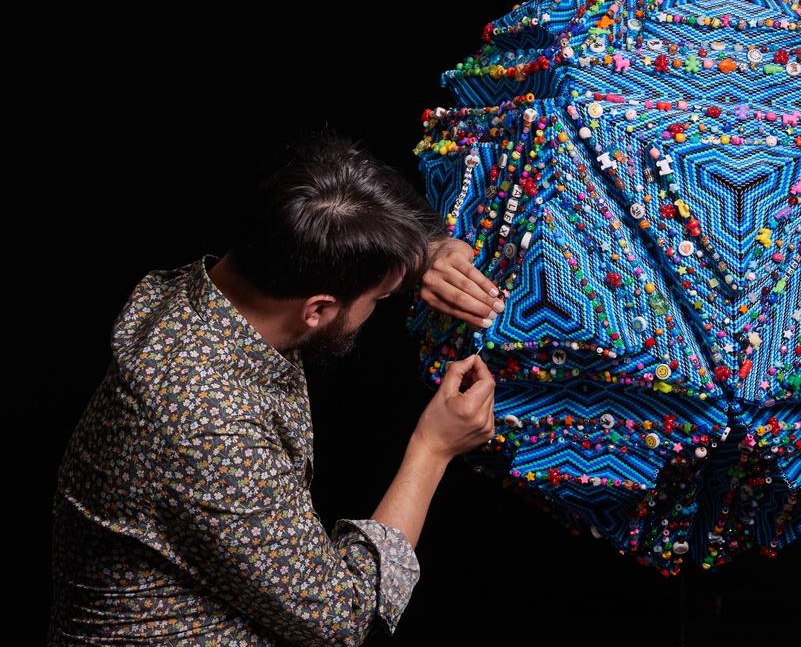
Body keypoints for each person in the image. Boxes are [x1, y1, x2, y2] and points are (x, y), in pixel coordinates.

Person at [47, 129, 507, 645]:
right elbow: (342, 619)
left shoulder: (205, 287)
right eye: (379, 298)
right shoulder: (209, 427)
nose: (381, 306)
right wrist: (432, 449)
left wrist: (424, 250)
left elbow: (335, 199)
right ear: (316, 310)